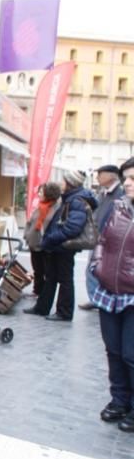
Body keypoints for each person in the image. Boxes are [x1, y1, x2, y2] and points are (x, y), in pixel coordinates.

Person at [87, 157, 134, 432]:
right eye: (126, 178)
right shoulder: (119, 208)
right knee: (114, 351)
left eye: (132, 179)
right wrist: (97, 266)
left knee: (131, 353)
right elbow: (102, 241)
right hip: (109, 292)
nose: (127, 183)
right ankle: (119, 400)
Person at [29, 170, 97, 322]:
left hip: (64, 246)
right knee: (51, 277)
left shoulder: (76, 201)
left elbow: (73, 228)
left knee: (65, 280)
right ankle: (42, 308)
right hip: (58, 246)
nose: (61, 183)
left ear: (70, 184)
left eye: (64, 181)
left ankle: (64, 313)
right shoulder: (70, 198)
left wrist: (52, 238)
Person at [80, 164, 125, 310]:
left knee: (97, 269)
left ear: (111, 176)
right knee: (94, 269)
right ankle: (95, 298)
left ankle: (98, 298)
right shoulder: (104, 192)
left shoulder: (121, 193)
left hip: (109, 239)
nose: (97, 177)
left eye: (100, 174)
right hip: (98, 237)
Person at [22, 182, 63, 301]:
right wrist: (26, 235)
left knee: (44, 269)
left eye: (41, 192)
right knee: (37, 269)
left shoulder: (56, 208)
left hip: (44, 244)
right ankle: (37, 290)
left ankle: (42, 292)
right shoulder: (40, 206)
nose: (39, 194)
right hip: (34, 242)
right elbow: (30, 222)